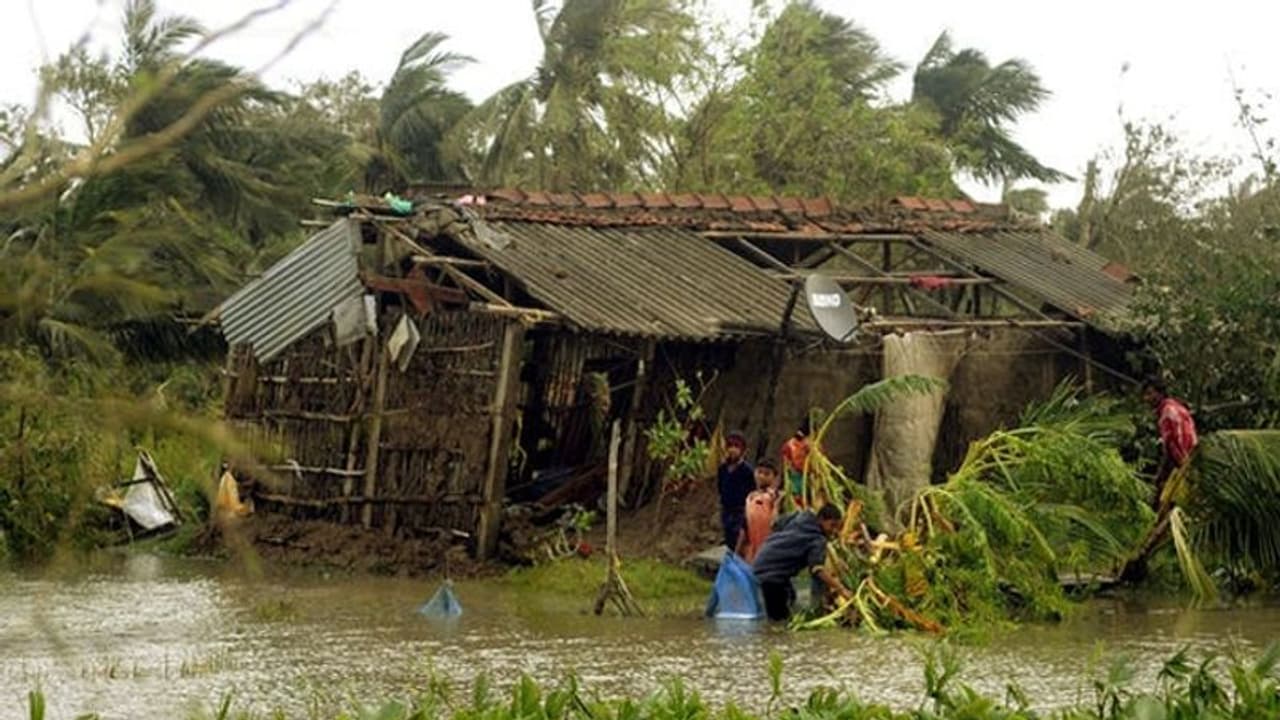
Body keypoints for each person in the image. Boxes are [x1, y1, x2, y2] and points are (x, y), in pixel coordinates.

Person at [750, 504, 852, 622]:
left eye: (837, 528)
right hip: (773, 575)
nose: (833, 531)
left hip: (761, 559)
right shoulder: (817, 539)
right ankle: (772, 636)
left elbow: (775, 524)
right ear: (821, 519)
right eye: (832, 525)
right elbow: (817, 569)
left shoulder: (800, 516)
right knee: (779, 620)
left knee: (791, 598)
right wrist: (842, 589)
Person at [1143, 377, 1198, 508]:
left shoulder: (1167, 412)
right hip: (1192, 458)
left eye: (1150, 393)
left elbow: (1171, 446)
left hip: (1182, 462)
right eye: (1145, 395)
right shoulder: (1177, 406)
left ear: (1160, 393)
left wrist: (1161, 474)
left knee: (1168, 501)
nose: (1146, 398)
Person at [736, 459, 781, 563]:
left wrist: (776, 504)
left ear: (775, 478)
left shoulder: (776, 497)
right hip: (751, 550)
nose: (762, 476)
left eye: (767, 474)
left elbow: (777, 523)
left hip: (770, 549)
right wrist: (737, 552)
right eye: (759, 472)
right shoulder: (750, 498)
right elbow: (745, 527)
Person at [717, 431, 755, 550]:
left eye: (736, 446)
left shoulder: (747, 471)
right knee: (728, 536)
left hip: (740, 510)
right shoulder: (723, 468)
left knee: (738, 538)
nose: (733, 450)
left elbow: (751, 491)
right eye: (730, 446)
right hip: (726, 509)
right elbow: (720, 486)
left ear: (743, 450)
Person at [780, 419, 812, 509]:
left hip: (809, 477)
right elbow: (788, 463)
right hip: (796, 476)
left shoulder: (811, 443)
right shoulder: (791, 444)